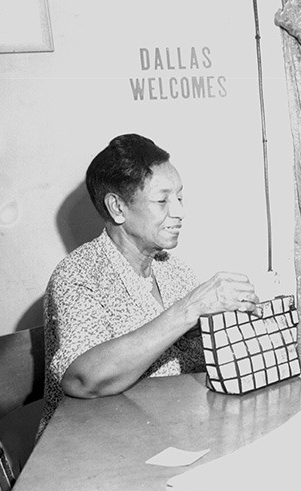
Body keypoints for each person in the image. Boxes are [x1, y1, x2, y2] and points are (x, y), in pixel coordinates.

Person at [39, 134, 259, 438]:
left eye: (180, 197)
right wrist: (191, 309)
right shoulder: (77, 275)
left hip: (166, 434)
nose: (180, 212)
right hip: (95, 448)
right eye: (162, 200)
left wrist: (241, 324)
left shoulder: (174, 270)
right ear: (117, 207)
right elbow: (83, 380)